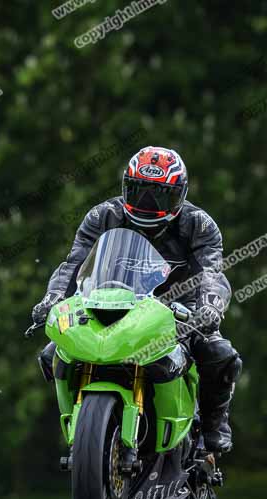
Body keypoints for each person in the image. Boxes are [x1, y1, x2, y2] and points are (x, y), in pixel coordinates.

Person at [31, 146, 242, 453]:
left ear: (179, 194)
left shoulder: (200, 225)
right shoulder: (103, 216)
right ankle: (86, 427)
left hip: (180, 314)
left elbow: (211, 271)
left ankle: (213, 423)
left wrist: (210, 307)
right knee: (52, 353)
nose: (147, 203)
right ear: (125, 187)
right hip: (108, 304)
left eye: (159, 194)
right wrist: (51, 299)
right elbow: (73, 265)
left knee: (220, 355)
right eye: (139, 191)